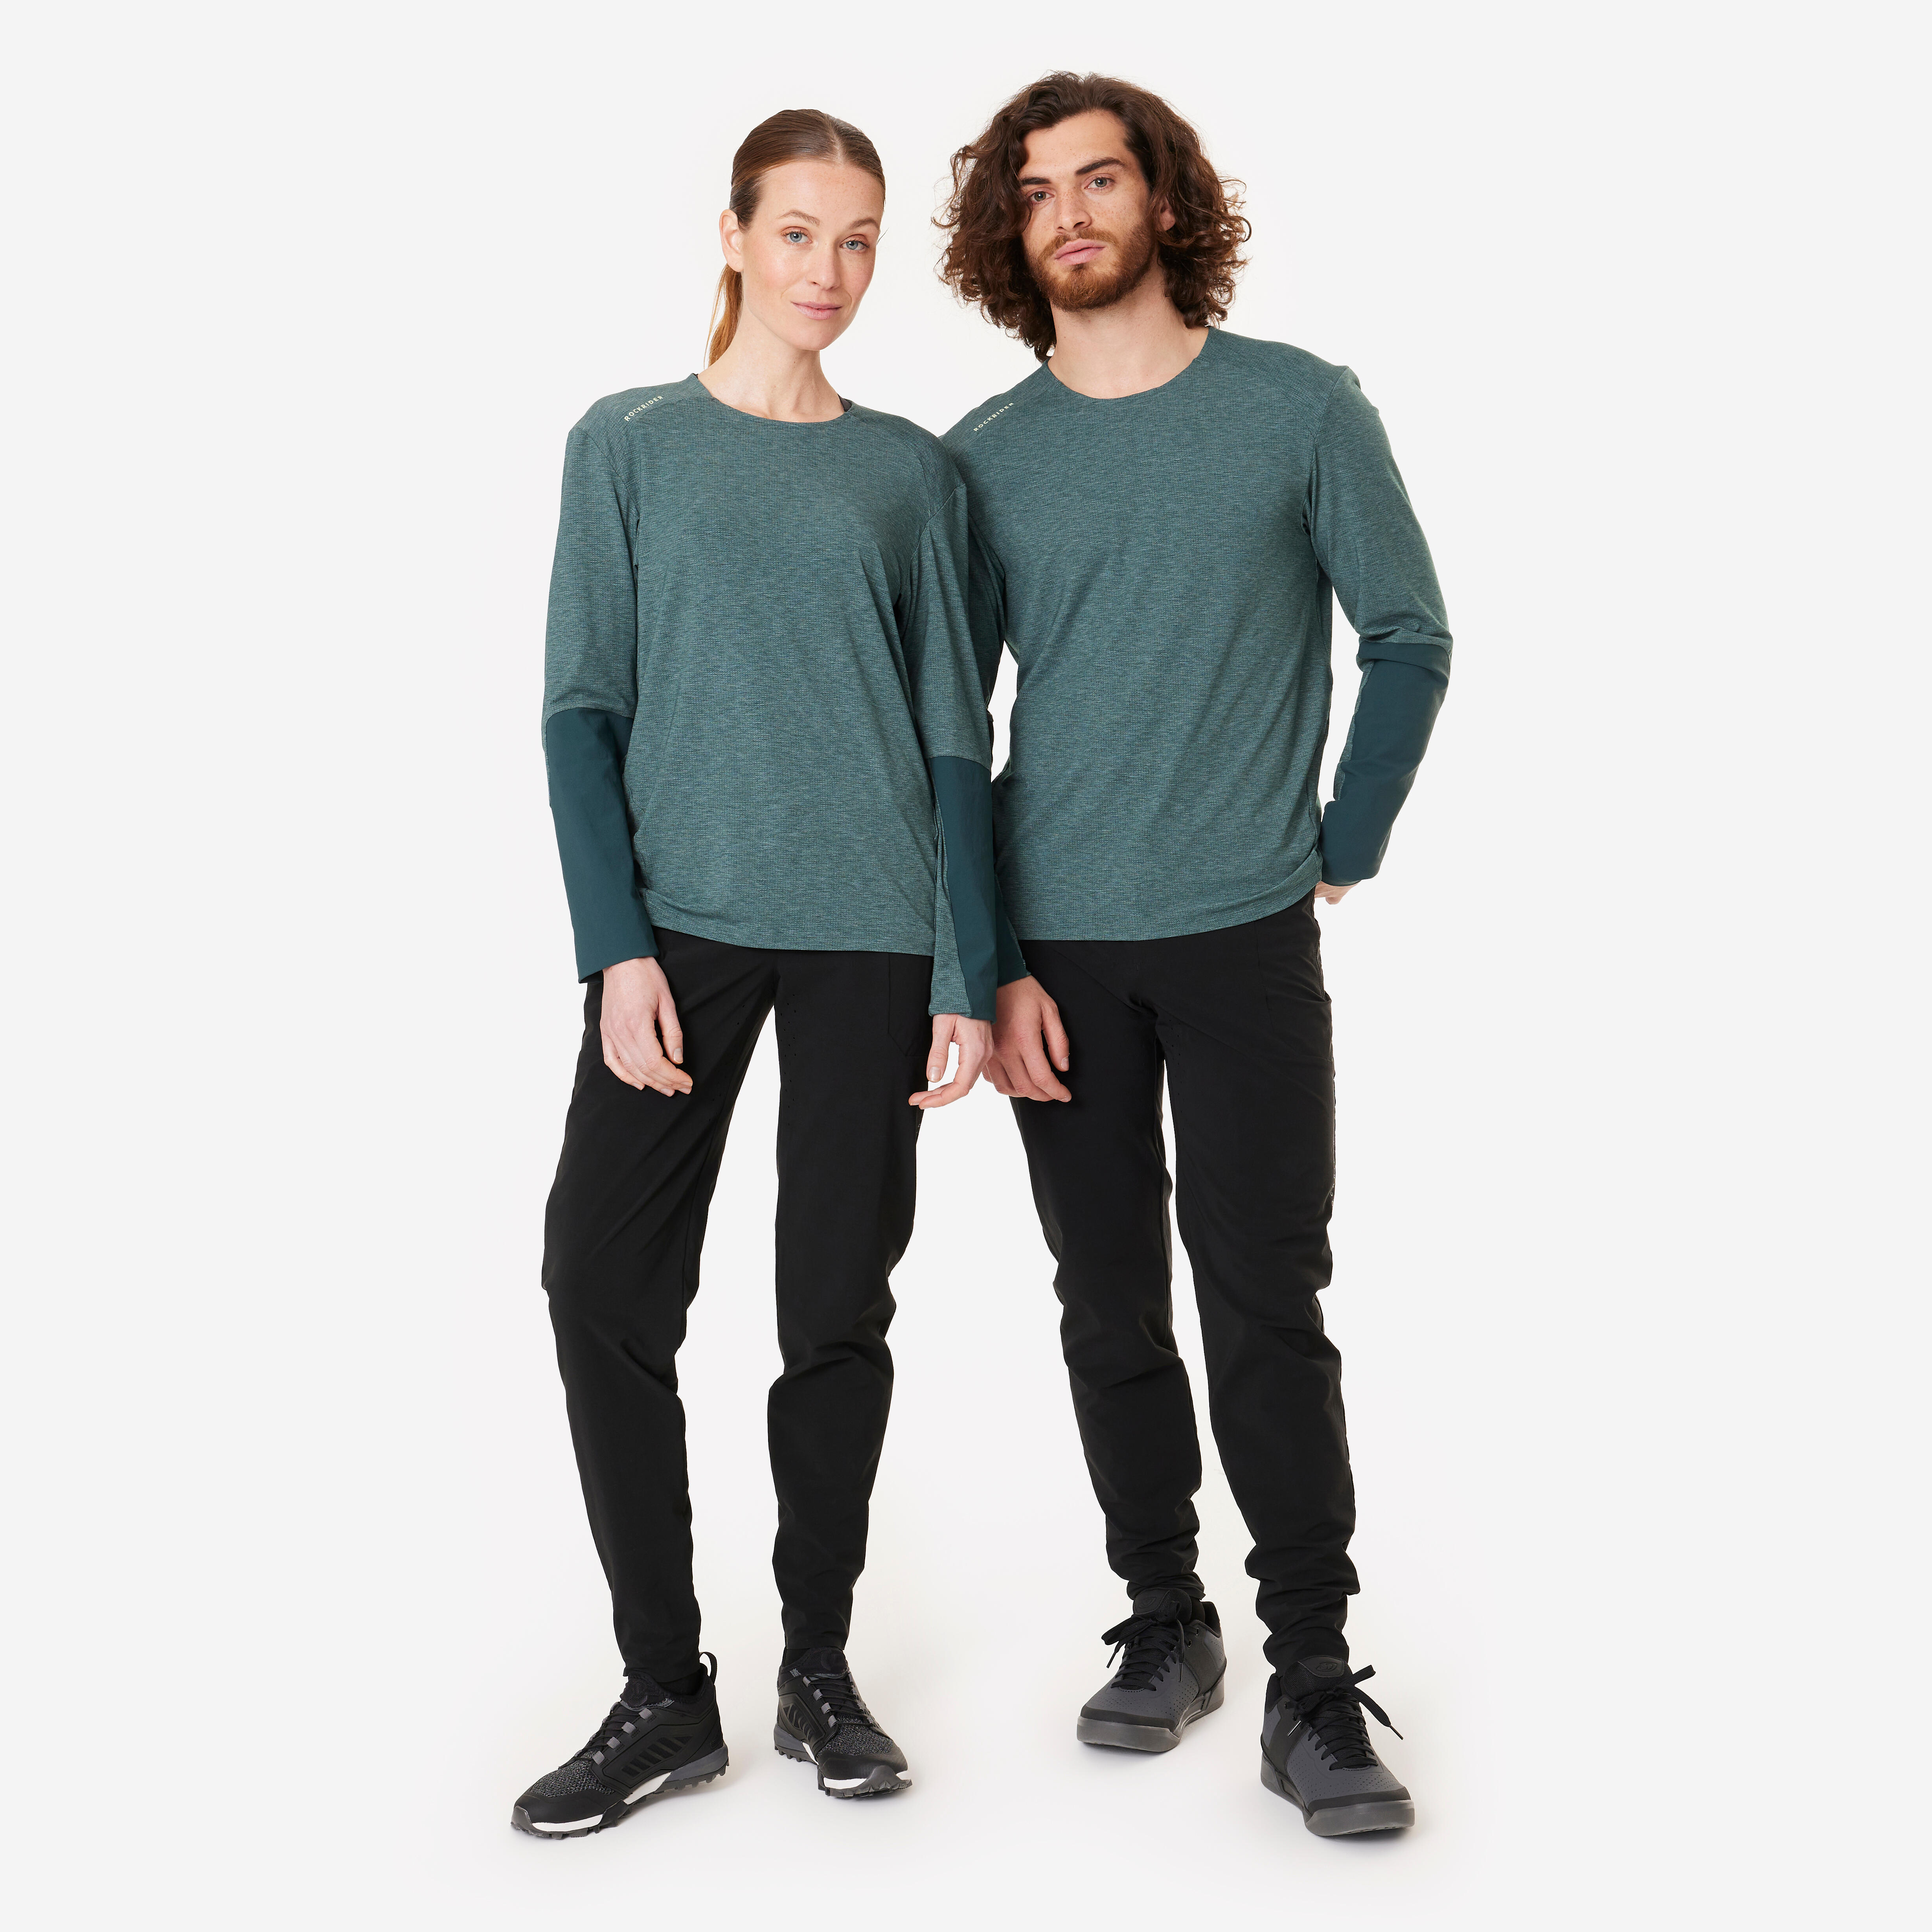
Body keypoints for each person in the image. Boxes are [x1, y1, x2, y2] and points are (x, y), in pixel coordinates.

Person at [937, 72, 1450, 1836]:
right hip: (1055, 953)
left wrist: (1344, 836)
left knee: (1265, 1299)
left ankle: (1310, 1671)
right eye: (1032, 193)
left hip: (1242, 935)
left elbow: (1407, 631)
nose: (1066, 213)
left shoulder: (1298, 409)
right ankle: (1166, 1612)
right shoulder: (984, 459)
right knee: (1104, 1299)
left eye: (1096, 179)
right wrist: (982, 961)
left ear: (1162, 199)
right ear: (1008, 234)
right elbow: (949, 730)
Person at [513, 107, 999, 1837]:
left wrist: (964, 962)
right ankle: (664, 1686)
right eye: (799, 231)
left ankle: (817, 1664)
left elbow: (953, 733)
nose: (830, 269)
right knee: (599, 1280)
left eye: (859, 238)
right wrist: (613, 947)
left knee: (832, 1303)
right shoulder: (627, 443)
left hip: (872, 926)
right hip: (686, 925)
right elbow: (580, 707)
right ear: (732, 234)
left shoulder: (908, 472)